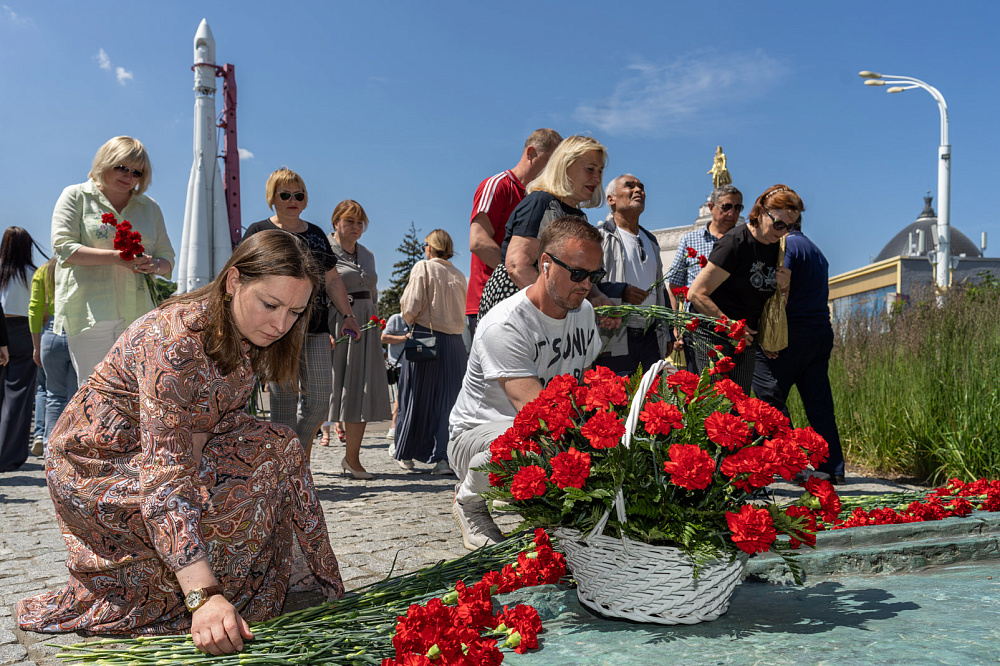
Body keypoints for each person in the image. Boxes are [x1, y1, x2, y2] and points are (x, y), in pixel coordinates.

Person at [16, 230, 344, 655]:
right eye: (270, 304)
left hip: (164, 450)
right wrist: (202, 596)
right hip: (96, 465)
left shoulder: (246, 333)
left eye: (295, 311)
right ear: (233, 282)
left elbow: (200, 428)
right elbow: (165, 475)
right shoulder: (174, 342)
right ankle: (202, 593)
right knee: (203, 499)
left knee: (279, 446)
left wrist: (204, 474)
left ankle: (294, 579)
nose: (281, 324)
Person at [449, 216, 605, 550]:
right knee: (534, 442)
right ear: (545, 264)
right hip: (479, 435)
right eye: (578, 273)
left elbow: (587, 386)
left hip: (540, 425)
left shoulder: (584, 311)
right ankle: (469, 503)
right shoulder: (505, 325)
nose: (586, 284)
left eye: (595, 275)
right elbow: (537, 411)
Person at [242, 168, 361, 453]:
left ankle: (297, 450)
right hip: (275, 329)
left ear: (306, 200)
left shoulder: (318, 234)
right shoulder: (259, 232)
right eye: (285, 194)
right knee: (282, 400)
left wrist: (348, 315)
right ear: (273, 198)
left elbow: (332, 279)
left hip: (315, 327)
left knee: (320, 397)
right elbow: (242, 276)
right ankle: (287, 468)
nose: (292, 199)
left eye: (299, 194)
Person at [51, 136, 175, 387]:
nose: (128, 175)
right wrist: (118, 258)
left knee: (136, 395)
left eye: (136, 172)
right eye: (121, 167)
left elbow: (168, 261)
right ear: (105, 163)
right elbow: (64, 248)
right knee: (95, 394)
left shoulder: (150, 208)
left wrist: (154, 265)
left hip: (140, 316)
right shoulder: (76, 196)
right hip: (91, 314)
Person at [752, 223, 847, 485]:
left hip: (790, 332)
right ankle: (833, 468)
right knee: (819, 404)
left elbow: (781, 284)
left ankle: (789, 463)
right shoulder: (818, 253)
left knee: (770, 399)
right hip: (819, 331)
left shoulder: (788, 246)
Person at [477, 135, 610, 319]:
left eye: (600, 171)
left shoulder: (580, 217)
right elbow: (517, 266)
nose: (597, 178)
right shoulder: (541, 202)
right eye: (590, 169)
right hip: (518, 306)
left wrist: (597, 296)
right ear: (565, 166)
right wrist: (556, 308)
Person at [688, 184, 798, 395]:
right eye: (778, 223)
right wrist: (731, 327)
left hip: (745, 337)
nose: (783, 231)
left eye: (789, 226)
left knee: (739, 406)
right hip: (715, 335)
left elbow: (771, 299)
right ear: (760, 212)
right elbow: (696, 294)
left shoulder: (777, 246)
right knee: (715, 407)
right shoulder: (734, 243)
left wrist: (785, 287)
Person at [466, 129, 562, 338]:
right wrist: (517, 270)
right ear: (531, 153)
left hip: (527, 298)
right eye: (551, 161)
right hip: (493, 301)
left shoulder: (541, 198)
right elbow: (478, 241)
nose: (555, 170)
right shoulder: (499, 185)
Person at [326, 200, 391, 479]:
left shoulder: (368, 255)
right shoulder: (325, 251)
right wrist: (324, 329)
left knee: (360, 392)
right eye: (349, 221)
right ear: (336, 222)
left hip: (366, 326)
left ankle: (352, 460)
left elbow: (373, 294)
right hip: (337, 324)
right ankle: (299, 464)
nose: (355, 227)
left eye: (359, 222)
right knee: (326, 392)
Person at [395, 230, 467, 475]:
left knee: (414, 395)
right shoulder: (458, 274)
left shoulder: (423, 268)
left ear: (430, 247)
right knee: (449, 401)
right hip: (455, 342)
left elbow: (411, 304)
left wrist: (408, 319)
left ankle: (406, 453)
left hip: (424, 334)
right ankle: (443, 457)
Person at [595, 174, 671, 376]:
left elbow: (660, 287)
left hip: (650, 335)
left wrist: (668, 331)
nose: (638, 190)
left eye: (641, 187)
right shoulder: (599, 237)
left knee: (651, 396)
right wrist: (621, 292)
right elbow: (586, 283)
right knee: (617, 396)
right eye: (629, 186)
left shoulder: (651, 240)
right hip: (615, 333)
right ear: (611, 199)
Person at [666, 184, 743, 373]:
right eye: (726, 207)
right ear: (711, 208)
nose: (732, 213)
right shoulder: (690, 240)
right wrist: (676, 327)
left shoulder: (744, 242)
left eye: (737, 208)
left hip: (737, 327)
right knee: (702, 388)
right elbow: (674, 286)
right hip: (700, 328)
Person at [0, 227, 43, 472]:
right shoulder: (33, 273)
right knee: (18, 396)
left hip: (0, 329)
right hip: (24, 332)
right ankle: (8, 456)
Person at [29, 259, 77, 457]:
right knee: (76, 396)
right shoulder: (78, 268)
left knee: (52, 395)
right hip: (78, 333)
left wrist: (36, 345)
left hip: (50, 335)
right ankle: (69, 447)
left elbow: (35, 309)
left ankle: (49, 449)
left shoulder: (43, 271)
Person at [381, 312, 408, 442]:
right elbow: (383, 338)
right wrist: (404, 338)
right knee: (401, 393)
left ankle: (401, 426)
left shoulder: (420, 319)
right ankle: (394, 425)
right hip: (399, 363)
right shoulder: (396, 319)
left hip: (416, 362)